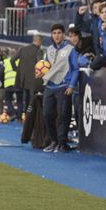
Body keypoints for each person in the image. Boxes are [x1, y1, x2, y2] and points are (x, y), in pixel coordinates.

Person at [38, 24, 87, 153]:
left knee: (63, 116)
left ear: (63, 34)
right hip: (49, 86)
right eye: (54, 33)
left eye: (59, 33)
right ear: (52, 35)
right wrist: (40, 73)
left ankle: (62, 143)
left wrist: (71, 85)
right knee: (47, 115)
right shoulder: (49, 49)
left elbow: (76, 69)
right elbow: (46, 66)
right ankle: (53, 141)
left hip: (64, 86)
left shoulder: (70, 49)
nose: (57, 35)